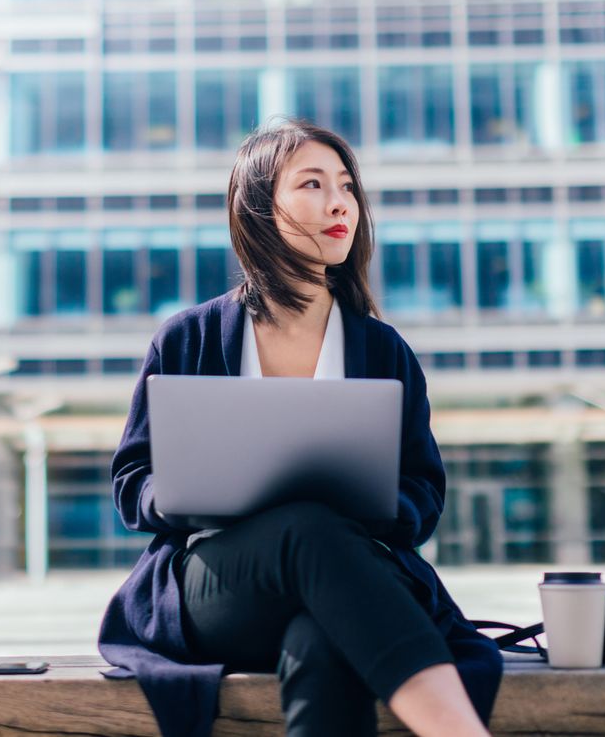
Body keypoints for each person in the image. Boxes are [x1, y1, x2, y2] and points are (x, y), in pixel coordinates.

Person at [98, 119, 502, 737]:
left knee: (321, 637)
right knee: (304, 527)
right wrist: (184, 491)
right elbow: (133, 482)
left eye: (347, 186)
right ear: (259, 208)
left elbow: (423, 490)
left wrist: (371, 503)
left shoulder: (382, 348)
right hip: (220, 586)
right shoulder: (189, 337)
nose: (340, 202)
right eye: (312, 184)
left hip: (347, 574)